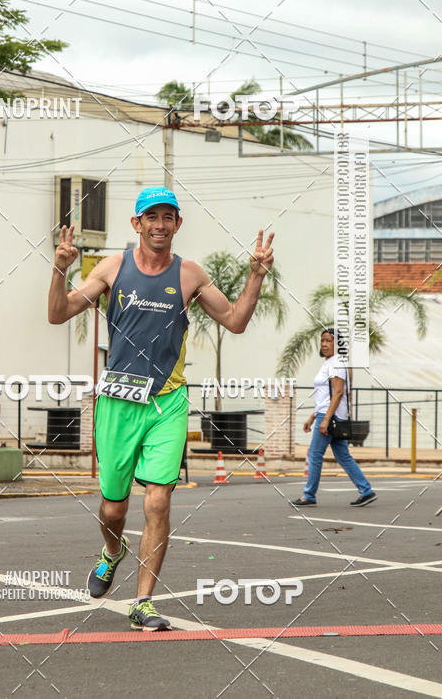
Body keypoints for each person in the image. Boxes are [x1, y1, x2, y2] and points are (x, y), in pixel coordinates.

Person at [48, 186, 275, 631]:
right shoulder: (114, 268)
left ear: (177, 224)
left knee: (157, 502)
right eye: (151, 216)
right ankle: (112, 553)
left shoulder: (189, 274)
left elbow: (235, 321)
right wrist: (59, 270)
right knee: (113, 509)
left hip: (167, 404)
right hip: (117, 404)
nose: (159, 224)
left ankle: (143, 602)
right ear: (136, 223)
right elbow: (59, 314)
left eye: (168, 217)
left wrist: (257, 276)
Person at [292, 328, 376, 507]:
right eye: (322, 340)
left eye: (329, 341)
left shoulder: (336, 363)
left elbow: (337, 393)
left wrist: (325, 419)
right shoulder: (329, 363)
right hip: (328, 415)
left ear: (338, 345)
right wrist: (313, 416)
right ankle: (366, 490)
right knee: (343, 456)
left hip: (331, 417)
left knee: (314, 454)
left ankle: (309, 495)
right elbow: (325, 396)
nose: (324, 344)